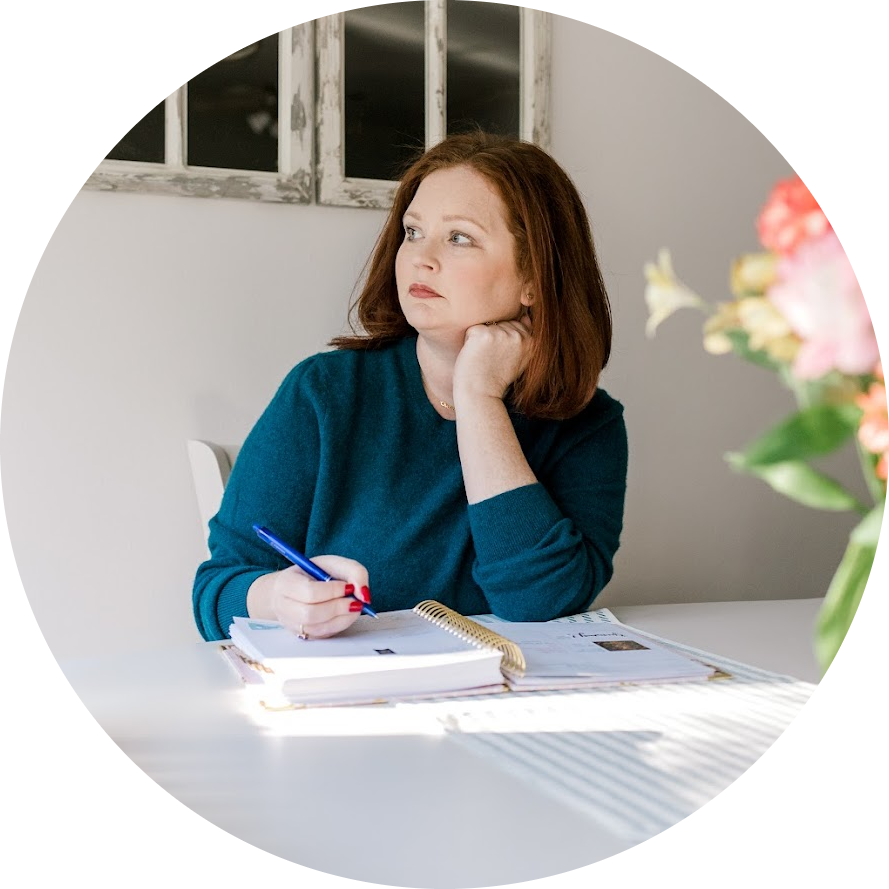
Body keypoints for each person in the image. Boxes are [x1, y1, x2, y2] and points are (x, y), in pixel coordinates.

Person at [193, 129, 628, 643]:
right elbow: (215, 592)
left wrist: (479, 398)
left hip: (510, 687)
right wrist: (276, 598)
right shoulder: (324, 392)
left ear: (535, 277)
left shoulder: (587, 423)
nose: (421, 258)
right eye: (413, 231)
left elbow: (539, 600)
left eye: (459, 237)